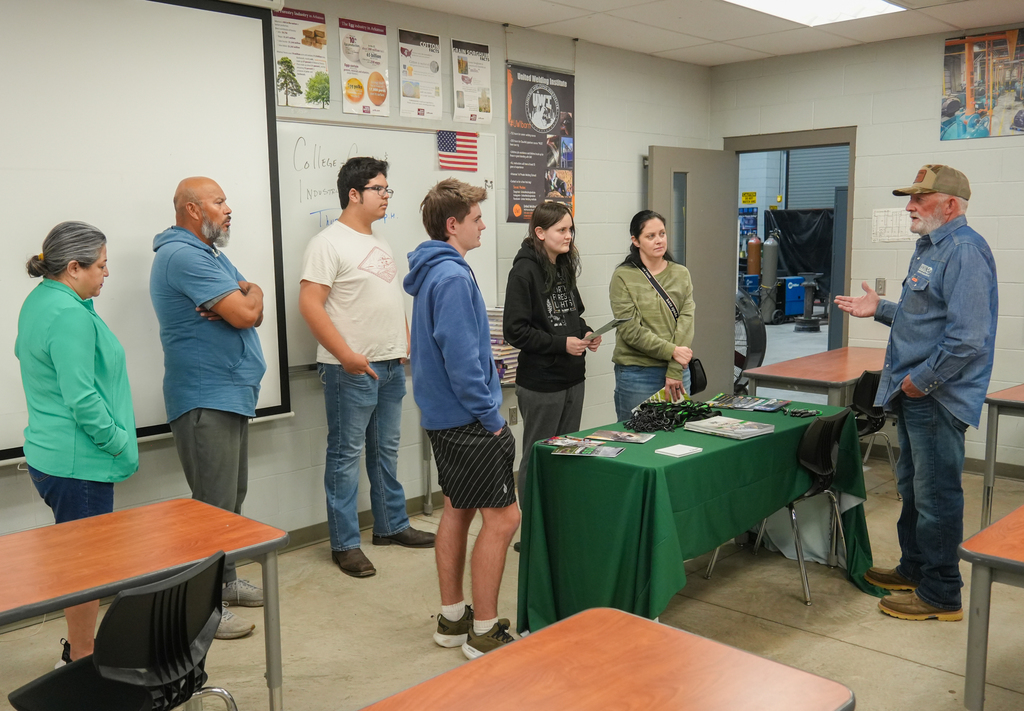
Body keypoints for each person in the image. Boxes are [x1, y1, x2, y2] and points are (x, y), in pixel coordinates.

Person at [834, 164, 997, 622]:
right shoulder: (930, 246)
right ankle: (915, 569)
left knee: (936, 494)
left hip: (935, 397)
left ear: (949, 205)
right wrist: (882, 308)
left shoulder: (964, 250)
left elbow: (967, 337)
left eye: (919, 200)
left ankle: (942, 593)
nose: (909, 206)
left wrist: (919, 382)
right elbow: (926, 317)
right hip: (915, 394)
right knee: (912, 488)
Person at [299, 157, 434, 579]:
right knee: (344, 457)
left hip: (391, 364)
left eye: (387, 189)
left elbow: (389, 298)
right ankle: (344, 543)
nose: (387, 196)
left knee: (386, 451)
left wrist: (405, 340)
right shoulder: (327, 242)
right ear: (354, 193)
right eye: (380, 189)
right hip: (351, 369)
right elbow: (309, 303)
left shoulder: (381, 241)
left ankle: (391, 526)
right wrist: (345, 355)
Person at [404, 179, 520, 660]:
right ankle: (485, 632)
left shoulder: (434, 272)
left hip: (444, 417)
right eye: (476, 219)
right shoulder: (451, 277)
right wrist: (491, 417)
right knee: (505, 518)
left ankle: (454, 619)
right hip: (467, 419)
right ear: (452, 225)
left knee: (457, 508)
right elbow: (461, 360)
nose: (484, 225)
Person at [16, 221, 139, 665]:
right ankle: (82, 660)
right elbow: (82, 398)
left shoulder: (44, 300)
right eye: (101, 266)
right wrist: (116, 441)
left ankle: (79, 650)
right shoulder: (68, 314)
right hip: (79, 464)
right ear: (73, 267)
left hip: (52, 456)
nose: (107, 274)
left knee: (76, 561)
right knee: (88, 568)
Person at [150, 177, 267, 639]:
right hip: (204, 396)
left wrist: (249, 292)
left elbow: (249, 298)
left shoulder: (210, 252)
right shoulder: (182, 255)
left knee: (231, 500)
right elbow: (244, 313)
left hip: (229, 393)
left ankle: (227, 581)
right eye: (219, 202)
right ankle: (203, 611)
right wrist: (244, 301)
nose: (228, 209)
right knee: (211, 508)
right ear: (194, 209)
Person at [502, 201, 599, 500]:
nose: (568, 236)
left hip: (573, 379)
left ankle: (556, 526)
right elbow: (515, 331)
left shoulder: (563, 266)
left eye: (570, 229)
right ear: (540, 232)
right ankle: (532, 534)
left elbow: (572, 317)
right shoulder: (523, 272)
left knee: (566, 455)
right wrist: (561, 344)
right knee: (539, 456)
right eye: (561, 230)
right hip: (542, 384)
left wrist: (585, 332)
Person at [609, 210, 695, 421]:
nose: (659, 241)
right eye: (651, 236)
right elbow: (630, 330)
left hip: (677, 372)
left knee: (678, 439)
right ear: (635, 241)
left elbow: (686, 322)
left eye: (662, 234)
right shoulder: (623, 276)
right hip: (637, 373)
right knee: (636, 440)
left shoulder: (681, 273)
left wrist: (675, 368)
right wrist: (673, 351)